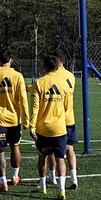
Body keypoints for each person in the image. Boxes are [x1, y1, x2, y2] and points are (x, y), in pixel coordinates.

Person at [0, 49, 29, 191]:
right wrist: (26, 120)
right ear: (11, 60)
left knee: (0, 149)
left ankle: (3, 181)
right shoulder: (18, 76)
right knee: (15, 146)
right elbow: (23, 99)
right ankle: (15, 176)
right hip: (15, 119)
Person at [29, 54, 72, 200]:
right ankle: (61, 190)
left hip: (43, 129)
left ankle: (43, 187)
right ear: (57, 67)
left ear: (44, 67)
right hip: (59, 128)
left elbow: (34, 107)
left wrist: (32, 126)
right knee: (60, 158)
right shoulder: (64, 83)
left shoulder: (39, 83)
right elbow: (67, 106)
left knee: (42, 157)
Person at [44, 54, 78, 190]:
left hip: (57, 118)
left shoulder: (53, 76)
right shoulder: (71, 76)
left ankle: (52, 176)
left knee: (52, 150)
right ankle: (74, 178)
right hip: (69, 118)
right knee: (70, 148)